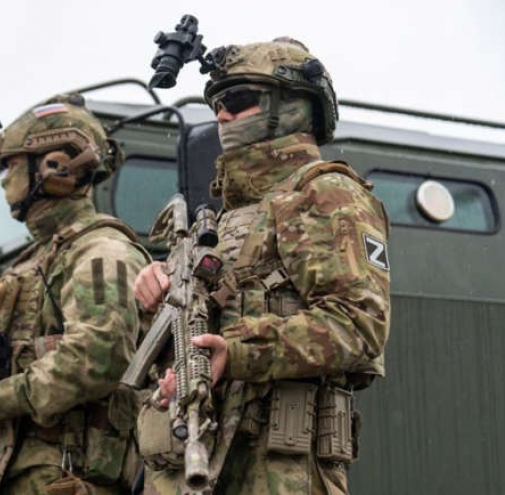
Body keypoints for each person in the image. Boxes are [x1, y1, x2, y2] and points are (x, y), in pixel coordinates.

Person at [133, 38, 391, 494]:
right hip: (201, 458)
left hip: (278, 471)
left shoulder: (324, 194)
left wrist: (238, 352)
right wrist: (155, 299)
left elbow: (359, 324)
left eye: (237, 100)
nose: (221, 116)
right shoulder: (224, 221)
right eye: (216, 104)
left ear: (292, 104)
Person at [0, 93, 151, 495]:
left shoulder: (101, 250)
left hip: (63, 476)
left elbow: (100, 355)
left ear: (57, 168)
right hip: (4, 473)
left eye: (13, 165)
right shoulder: (36, 259)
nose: (5, 180)